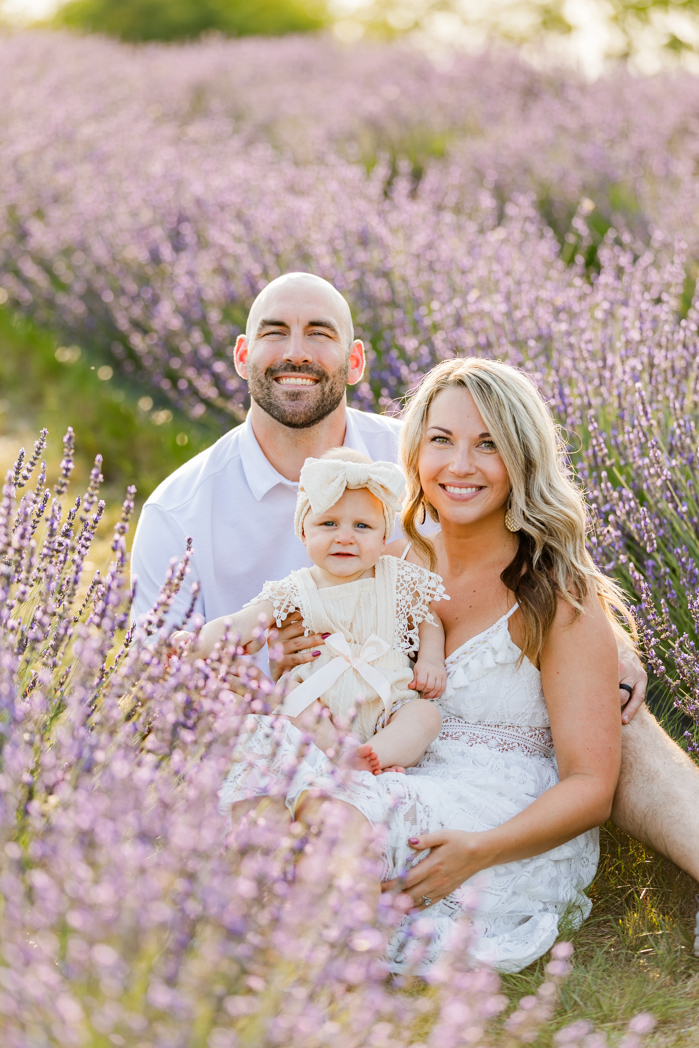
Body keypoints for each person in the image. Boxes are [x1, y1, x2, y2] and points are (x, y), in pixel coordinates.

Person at [130, 271, 699, 890]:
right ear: (243, 355)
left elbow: (523, 539)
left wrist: (609, 642)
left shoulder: (412, 454)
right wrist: (258, 667)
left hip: (421, 705)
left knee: (612, 707)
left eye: (319, 333)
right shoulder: (179, 511)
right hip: (289, 716)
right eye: (275, 333)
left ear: (354, 362)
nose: (296, 352)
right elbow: (156, 683)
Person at [220, 357, 630, 971]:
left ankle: (305, 954)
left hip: (494, 811)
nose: (460, 466)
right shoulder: (390, 559)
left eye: (488, 445)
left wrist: (480, 850)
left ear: (522, 460)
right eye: (442, 440)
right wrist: (298, 664)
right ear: (414, 453)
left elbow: (591, 787)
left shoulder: (557, 595)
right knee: (262, 750)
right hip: (390, 763)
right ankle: (258, 927)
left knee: (337, 817)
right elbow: (326, 653)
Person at [171, 449, 447, 775]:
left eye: (362, 526)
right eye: (328, 523)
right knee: (291, 707)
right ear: (304, 532)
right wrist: (199, 644)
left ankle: (378, 754)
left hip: (389, 698)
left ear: (384, 535)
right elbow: (243, 623)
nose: (345, 537)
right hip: (321, 702)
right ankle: (344, 757)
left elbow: (428, 618)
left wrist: (430, 659)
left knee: (425, 716)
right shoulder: (296, 589)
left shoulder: (397, 578)